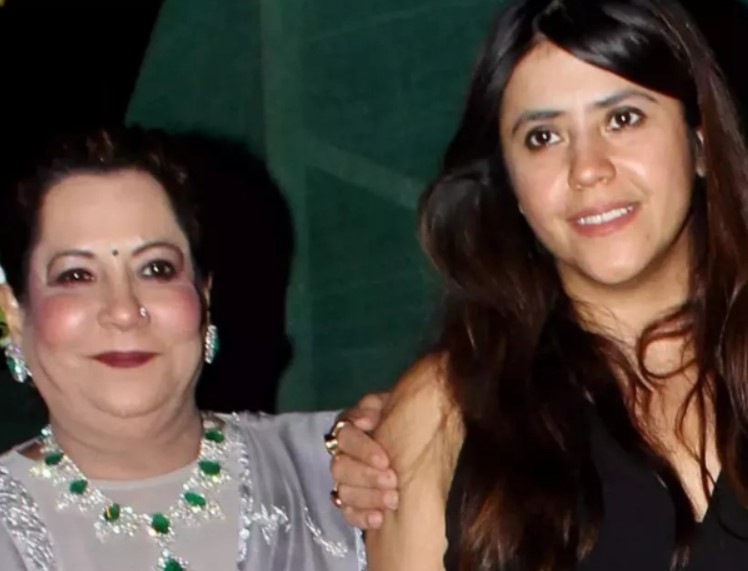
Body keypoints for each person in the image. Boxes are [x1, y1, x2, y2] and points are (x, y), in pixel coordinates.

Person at [328, 0, 748, 569]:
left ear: (699, 141)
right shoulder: (444, 414)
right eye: (544, 136)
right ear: (508, 181)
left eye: (623, 118)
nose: (587, 168)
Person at [0, 127, 380, 571]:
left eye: (156, 269)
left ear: (204, 296)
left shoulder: (346, 468)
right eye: (76, 276)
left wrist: (408, 433)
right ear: (14, 314)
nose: (124, 311)